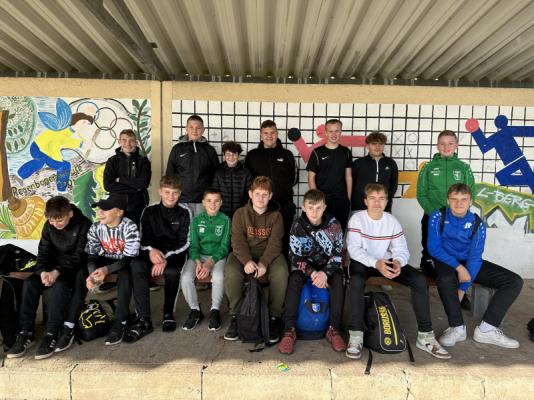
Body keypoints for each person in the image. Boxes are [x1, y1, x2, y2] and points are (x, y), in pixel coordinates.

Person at [345, 183, 450, 360]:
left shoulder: (391, 221)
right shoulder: (357, 219)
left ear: (387, 201)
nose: (377, 203)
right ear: (365, 201)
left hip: (386, 262)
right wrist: (376, 263)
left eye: (381, 199)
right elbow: (354, 250)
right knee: (355, 280)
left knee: (418, 279)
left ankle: (425, 336)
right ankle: (356, 335)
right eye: (372, 198)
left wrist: (398, 262)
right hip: (364, 262)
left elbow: (401, 249)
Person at [428, 183, 523, 349]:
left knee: (514, 281)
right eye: (454, 199)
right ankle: (457, 328)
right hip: (445, 260)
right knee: (445, 279)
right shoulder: (438, 216)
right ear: (448, 200)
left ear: (471, 201)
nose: (459, 203)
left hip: (469, 262)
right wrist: (459, 268)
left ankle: (487, 330)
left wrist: (462, 289)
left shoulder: (477, 223)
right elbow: (434, 248)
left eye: (464, 199)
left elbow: (475, 257)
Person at [7, 196, 91, 359]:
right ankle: (26, 332)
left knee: (60, 286)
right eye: (52, 220)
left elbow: (81, 256)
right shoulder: (48, 226)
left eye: (59, 220)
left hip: (72, 270)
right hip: (51, 269)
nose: (55, 224)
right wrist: (42, 272)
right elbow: (43, 252)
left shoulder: (84, 224)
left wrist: (57, 272)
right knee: (30, 283)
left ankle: (51, 333)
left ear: (70, 214)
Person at [278, 189, 346, 355]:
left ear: (324, 207)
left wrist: (325, 273)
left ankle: (334, 329)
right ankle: (289, 330)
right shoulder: (297, 225)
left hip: (328, 267)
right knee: (294, 279)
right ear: (303, 208)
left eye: (318, 208)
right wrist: (313, 273)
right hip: (306, 267)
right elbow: (294, 256)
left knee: (338, 278)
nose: (314, 212)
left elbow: (338, 255)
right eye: (310, 208)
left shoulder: (334, 225)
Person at [223, 176, 288, 342]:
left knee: (281, 272)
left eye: (265, 194)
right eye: (257, 193)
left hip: (269, 253)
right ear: (250, 194)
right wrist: (246, 261)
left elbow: (275, 244)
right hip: (244, 253)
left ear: (270, 196)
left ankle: (274, 317)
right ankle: (236, 315)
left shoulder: (276, 216)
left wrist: (264, 263)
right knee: (231, 271)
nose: (261, 198)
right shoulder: (240, 213)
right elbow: (237, 241)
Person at [125, 176, 191, 341]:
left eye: (175, 193)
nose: (171, 196)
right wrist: (151, 251)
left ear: (180, 193)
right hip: (152, 252)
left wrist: (165, 259)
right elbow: (142, 238)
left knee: (172, 272)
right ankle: (144, 318)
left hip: (174, 254)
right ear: (160, 191)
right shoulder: (149, 210)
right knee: (136, 265)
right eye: (167, 192)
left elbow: (185, 243)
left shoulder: (185, 212)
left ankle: (168, 314)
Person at [85, 194, 141, 346]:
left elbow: (128, 259)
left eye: (106, 209)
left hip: (125, 263)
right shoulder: (96, 227)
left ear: (119, 212)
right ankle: (68, 323)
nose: (100, 212)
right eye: (99, 208)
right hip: (105, 262)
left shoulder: (130, 227)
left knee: (125, 274)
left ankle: (120, 321)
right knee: (80, 271)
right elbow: (92, 255)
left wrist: (107, 270)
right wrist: (92, 273)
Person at [417, 130, 475, 275]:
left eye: (450, 143)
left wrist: (457, 213)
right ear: (437, 145)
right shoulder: (428, 167)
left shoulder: (464, 167)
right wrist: (435, 214)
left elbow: (471, 193)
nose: (446, 147)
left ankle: (456, 277)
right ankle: (427, 273)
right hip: (432, 215)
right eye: (442, 144)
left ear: (456, 145)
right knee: (430, 249)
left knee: (455, 249)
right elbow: (421, 194)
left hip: (456, 218)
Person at [180, 188, 230, 331]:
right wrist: (197, 262)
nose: (212, 204)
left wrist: (209, 263)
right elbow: (193, 245)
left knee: (219, 276)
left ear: (221, 203)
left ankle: (215, 310)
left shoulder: (225, 220)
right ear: (203, 202)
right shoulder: (196, 220)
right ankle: (195, 310)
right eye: (209, 201)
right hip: (198, 256)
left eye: (216, 201)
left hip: (217, 257)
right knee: (185, 277)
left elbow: (224, 247)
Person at [245, 120, 297, 255]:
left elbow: (293, 179)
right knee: (261, 240)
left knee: (284, 239)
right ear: (261, 135)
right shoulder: (252, 155)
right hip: (261, 207)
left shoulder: (287, 154)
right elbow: (248, 182)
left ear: (277, 134)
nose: (269, 136)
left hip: (284, 206)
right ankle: (263, 265)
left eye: (272, 132)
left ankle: (283, 265)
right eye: (266, 133)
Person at [166, 115, 219, 217]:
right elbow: (170, 175)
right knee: (183, 226)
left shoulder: (210, 150)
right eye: (191, 127)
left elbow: (216, 176)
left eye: (198, 128)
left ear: (203, 130)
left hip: (203, 200)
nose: (194, 131)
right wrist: (171, 197)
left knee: (201, 226)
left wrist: (211, 197)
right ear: (186, 129)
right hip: (181, 199)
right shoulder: (177, 149)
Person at [307, 119, 352, 232]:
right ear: (326, 133)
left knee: (339, 230)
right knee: (322, 231)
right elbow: (311, 178)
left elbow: (348, 177)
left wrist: (348, 198)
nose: (334, 134)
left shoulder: (346, 152)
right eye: (330, 131)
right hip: (323, 199)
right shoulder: (317, 152)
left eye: (337, 131)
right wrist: (317, 199)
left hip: (341, 199)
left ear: (341, 132)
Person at [103, 128, 151, 226]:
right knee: (117, 233)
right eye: (124, 140)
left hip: (138, 206)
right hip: (116, 206)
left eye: (131, 140)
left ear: (136, 142)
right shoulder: (112, 161)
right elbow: (108, 185)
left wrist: (120, 180)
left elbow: (143, 184)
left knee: (135, 232)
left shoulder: (144, 161)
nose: (128, 144)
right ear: (119, 142)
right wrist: (135, 189)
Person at [351, 131, 398, 213]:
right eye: (374, 144)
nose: (377, 147)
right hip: (360, 207)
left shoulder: (391, 163)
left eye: (380, 144)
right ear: (367, 146)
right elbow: (351, 184)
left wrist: (385, 199)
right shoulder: (358, 163)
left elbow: (393, 185)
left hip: (383, 208)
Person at [212, 141, 252, 219]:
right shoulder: (218, 172)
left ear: (239, 156)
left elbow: (249, 194)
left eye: (234, 154)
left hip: (241, 213)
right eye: (228, 154)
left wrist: (246, 210)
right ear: (224, 156)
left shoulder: (246, 173)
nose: (231, 157)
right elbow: (215, 193)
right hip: (222, 213)